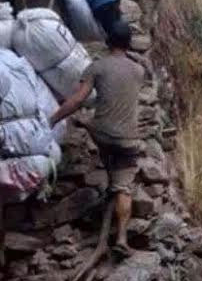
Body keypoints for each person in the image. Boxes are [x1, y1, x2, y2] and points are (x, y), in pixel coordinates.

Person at [50, 20, 144, 257]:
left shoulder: (96, 67)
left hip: (101, 134)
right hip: (127, 139)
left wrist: (53, 119)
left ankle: (110, 182)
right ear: (129, 44)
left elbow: (78, 100)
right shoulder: (138, 71)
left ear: (107, 42)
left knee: (88, 122)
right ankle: (122, 238)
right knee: (124, 187)